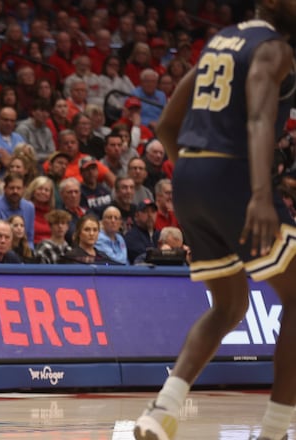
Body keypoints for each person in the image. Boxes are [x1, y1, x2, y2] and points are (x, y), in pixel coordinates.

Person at [133, 4, 296, 439]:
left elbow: (167, 121)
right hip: (236, 177)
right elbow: (260, 118)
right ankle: (275, 430)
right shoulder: (273, 48)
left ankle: (161, 411)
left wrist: (193, 177)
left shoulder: (221, 42)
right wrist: (260, 194)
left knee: (227, 306)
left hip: (189, 179)